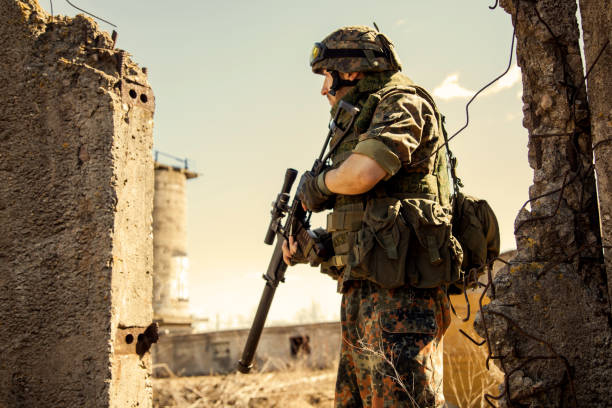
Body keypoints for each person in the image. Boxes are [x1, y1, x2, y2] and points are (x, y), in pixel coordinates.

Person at [282, 26, 461, 407]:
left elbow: (361, 175)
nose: (323, 90)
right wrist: (315, 247)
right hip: (364, 295)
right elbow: (367, 222)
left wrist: (319, 185)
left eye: (327, 76)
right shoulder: (360, 117)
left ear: (351, 70)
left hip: (403, 299)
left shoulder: (402, 102)